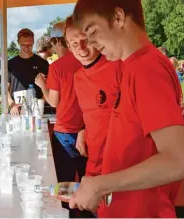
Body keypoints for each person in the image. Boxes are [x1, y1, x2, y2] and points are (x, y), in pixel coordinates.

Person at [70, 0, 184, 217]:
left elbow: (178, 159)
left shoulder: (147, 69)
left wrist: (101, 185)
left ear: (119, 17)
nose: (91, 44)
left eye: (93, 31)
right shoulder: (132, 66)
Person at [35, 22, 87, 217]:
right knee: (86, 179)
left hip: (64, 129)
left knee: (65, 183)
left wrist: (42, 84)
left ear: (58, 42)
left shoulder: (57, 67)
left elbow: (54, 102)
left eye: (54, 44)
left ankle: (68, 214)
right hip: (86, 128)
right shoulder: (86, 61)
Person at [64, 15, 122, 178]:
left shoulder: (117, 65)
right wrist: (83, 130)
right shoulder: (78, 77)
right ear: (69, 46)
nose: (81, 48)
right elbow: (93, 113)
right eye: (74, 43)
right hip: (94, 162)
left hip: (121, 166)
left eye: (85, 40)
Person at [8, 28, 49, 115]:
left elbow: (48, 86)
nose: (26, 47)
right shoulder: (10, 63)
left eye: (29, 44)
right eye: (23, 44)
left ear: (33, 42)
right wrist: (11, 104)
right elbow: (5, 88)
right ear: (18, 43)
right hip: (17, 109)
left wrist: (41, 102)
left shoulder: (42, 63)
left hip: (37, 109)